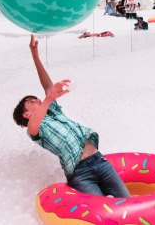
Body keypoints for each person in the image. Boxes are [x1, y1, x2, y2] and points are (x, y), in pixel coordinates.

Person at [13, 35, 131, 198]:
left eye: (37, 98)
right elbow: (38, 117)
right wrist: (49, 98)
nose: (38, 100)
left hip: (99, 160)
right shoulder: (34, 130)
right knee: (100, 215)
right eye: (32, 102)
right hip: (80, 173)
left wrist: (35, 55)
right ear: (26, 114)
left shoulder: (53, 111)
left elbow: (47, 86)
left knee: (127, 202)